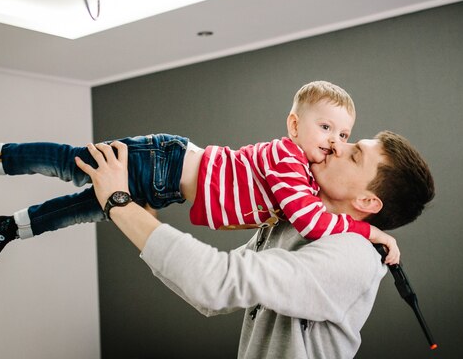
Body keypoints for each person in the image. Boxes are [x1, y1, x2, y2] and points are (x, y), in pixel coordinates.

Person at [0, 81, 400, 273]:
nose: (335, 141)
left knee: (88, 208)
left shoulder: (306, 178)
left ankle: (10, 228)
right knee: (73, 164)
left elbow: (319, 209)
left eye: (344, 134)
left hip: (163, 188)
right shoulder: (286, 160)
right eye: (325, 128)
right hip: (162, 160)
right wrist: (367, 230)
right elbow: (310, 222)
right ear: (295, 126)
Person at [75, 129, 435, 358]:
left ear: (368, 203)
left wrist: (119, 204)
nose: (337, 145)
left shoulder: (351, 256)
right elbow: (210, 298)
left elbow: (216, 282)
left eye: (354, 154)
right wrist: (137, 210)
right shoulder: (294, 223)